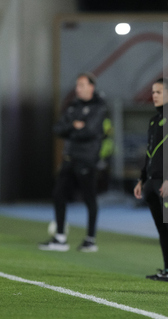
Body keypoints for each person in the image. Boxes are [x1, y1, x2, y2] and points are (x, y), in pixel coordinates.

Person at [39, 73, 107, 252]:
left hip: (87, 159)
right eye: (77, 86)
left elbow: (90, 131)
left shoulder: (99, 107)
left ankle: (90, 240)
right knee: (59, 194)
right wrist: (74, 127)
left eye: (82, 85)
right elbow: (58, 128)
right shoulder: (73, 106)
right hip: (69, 158)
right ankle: (60, 238)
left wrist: (73, 130)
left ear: (92, 87)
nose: (78, 89)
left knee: (89, 198)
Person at [134, 78, 168, 283]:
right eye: (153, 92)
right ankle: (167, 269)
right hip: (152, 182)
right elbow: (149, 153)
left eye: (159, 92)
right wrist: (141, 179)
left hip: (167, 181)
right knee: (162, 228)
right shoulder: (155, 120)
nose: (154, 95)